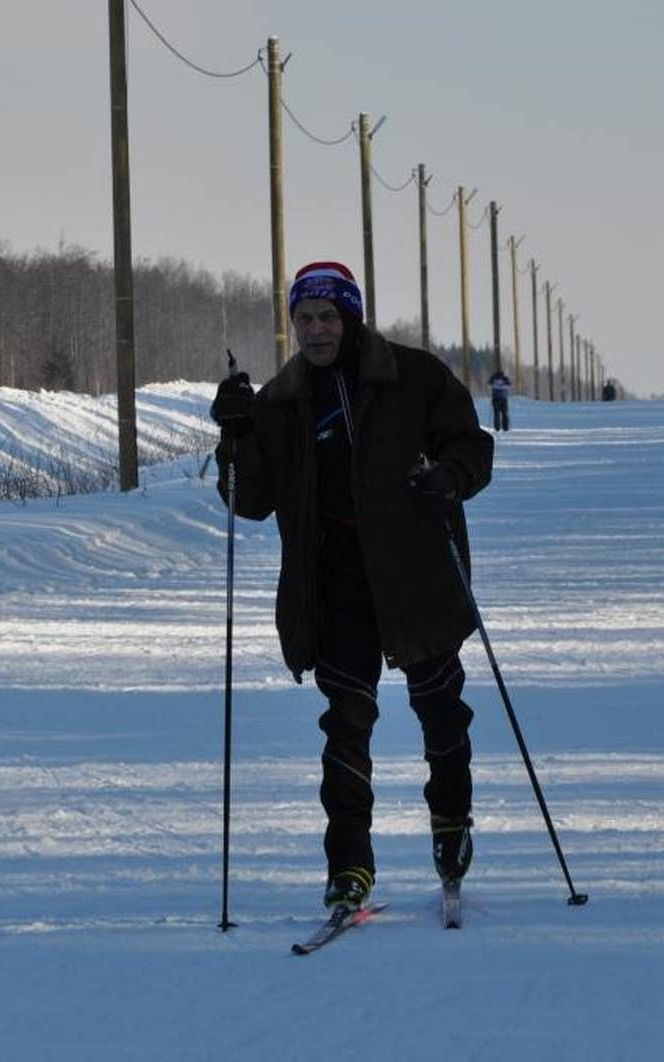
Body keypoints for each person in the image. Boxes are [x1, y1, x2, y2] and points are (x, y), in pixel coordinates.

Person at [210, 261, 494, 911]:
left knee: (441, 713)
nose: (315, 330)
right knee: (347, 728)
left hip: (416, 579)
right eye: (303, 319)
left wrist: (445, 477)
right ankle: (349, 869)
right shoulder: (279, 403)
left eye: (327, 316)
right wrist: (235, 434)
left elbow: (474, 451)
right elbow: (248, 500)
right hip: (332, 587)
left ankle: (451, 824)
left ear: (352, 317)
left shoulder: (414, 377)